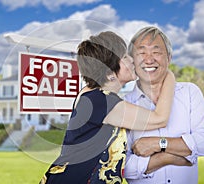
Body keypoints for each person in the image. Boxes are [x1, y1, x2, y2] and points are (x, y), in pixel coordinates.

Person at [40, 31, 175, 184]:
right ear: (110, 71)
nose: (132, 60)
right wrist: (168, 74)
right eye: (125, 57)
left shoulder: (90, 94)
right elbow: (160, 119)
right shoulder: (103, 102)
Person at [123, 26, 204, 184]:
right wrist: (167, 157)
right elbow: (123, 167)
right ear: (132, 61)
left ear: (169, 58)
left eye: (156, 52)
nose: (149, 59)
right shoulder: (123, 105)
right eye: (141, 52)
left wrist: (158, 144)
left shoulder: (189, 93)